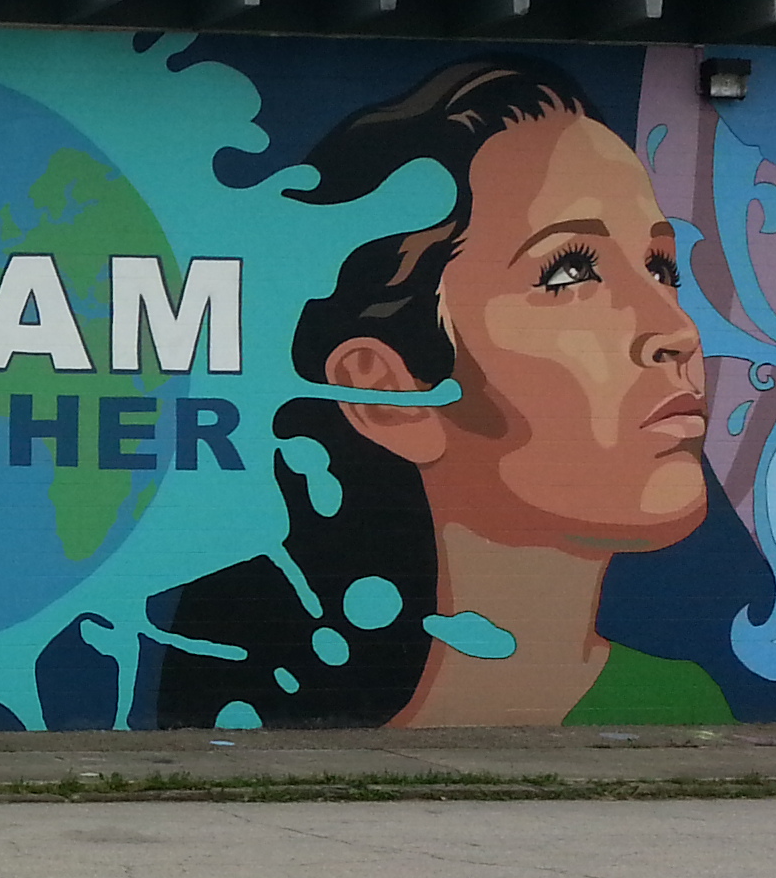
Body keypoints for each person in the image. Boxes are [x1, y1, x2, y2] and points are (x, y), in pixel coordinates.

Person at [159, 55, 728, 727]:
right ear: (387, 396)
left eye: (661, 267)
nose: (676, 330)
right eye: (570, 272)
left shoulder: (685, 704)